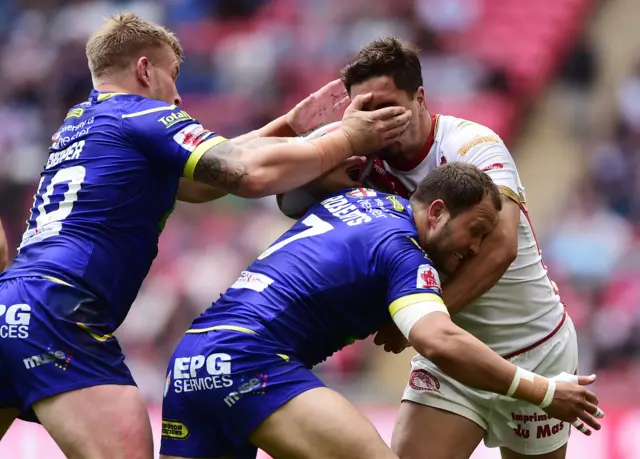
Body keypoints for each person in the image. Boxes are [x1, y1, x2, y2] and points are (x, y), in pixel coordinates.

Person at [0, 14, 411, 459]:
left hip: (13, 305)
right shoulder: (144, 113)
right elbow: (247, 175)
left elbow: (200, 183)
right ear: (144, 70)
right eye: (172, 76)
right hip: (59, 313)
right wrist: (349, 137)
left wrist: (287, 128)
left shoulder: (82, 125)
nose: (177, 95)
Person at [277, 37, 593, 459]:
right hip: (452, 357)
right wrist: (319, 144)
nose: (376, 120)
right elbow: (285, 195)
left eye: (388, 105)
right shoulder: (360, 156)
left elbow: (500, 248)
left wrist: (425, 315)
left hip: (532, 345)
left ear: (420, 97)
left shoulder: (470, 144)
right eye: (363, 109)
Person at [159, 163, 601, 459]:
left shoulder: (363, 201)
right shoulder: (403, 251)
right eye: (476, 231)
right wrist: (543, 392)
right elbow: (438, 340)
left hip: (191, 359)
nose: (477, 248)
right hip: (250, 362)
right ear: (439, 212)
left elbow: (297, 194)